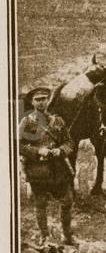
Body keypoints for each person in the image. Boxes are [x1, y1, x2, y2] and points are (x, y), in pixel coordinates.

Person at [18, 86, 75, 244]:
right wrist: (38, 151)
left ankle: (67, 234)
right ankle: (45, 236)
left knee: (67, 200)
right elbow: (17, 144)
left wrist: (61, 150)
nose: (41, 102)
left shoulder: (57, 120)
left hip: (58, 169)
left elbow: (69, 141)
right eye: (37, 99)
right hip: (38, 170)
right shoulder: (27, 122)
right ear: (32, 102)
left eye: (44, 99)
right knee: (41, 203)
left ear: (48, 100)